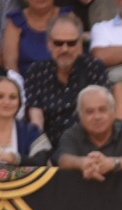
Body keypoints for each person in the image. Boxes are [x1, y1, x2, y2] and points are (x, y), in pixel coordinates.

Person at [22, 12, 104, 146]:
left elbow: (101, 115)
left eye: (71, 43)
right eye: (58, 43)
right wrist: (42, 153)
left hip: (88, 147)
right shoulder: (36, 72)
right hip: (50, 148)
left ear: (80, 44)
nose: (65, 49)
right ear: (49, 44)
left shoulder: (94, 68)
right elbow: (36, 120)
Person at [55, 85, 122, 179]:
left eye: (102, 110)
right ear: (80, 116)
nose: (97, 117)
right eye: (90, 112)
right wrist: (83, 163)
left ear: (113, 111)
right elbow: (63, 160)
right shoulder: (71, 134)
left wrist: (113, 163)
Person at [2, 0, 67, 77]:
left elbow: (75, 58)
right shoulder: (15, 21)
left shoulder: (67, 17)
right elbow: (10, 63)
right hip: (24, 86)